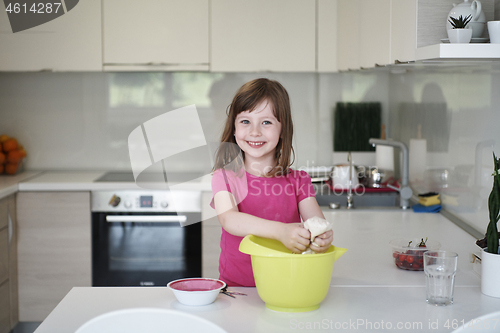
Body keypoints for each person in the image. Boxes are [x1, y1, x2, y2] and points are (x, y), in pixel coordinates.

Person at [210, 78, 334, 287]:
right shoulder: (225, 177)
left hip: (287, 285)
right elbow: (230, 220)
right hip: (239, 289)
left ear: (283, 130)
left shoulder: (299, 180)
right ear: (233, 128)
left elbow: (315, 223)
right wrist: (281, 232)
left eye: (266, 122)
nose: (255, 131)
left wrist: (320, 237)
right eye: (245, 121)